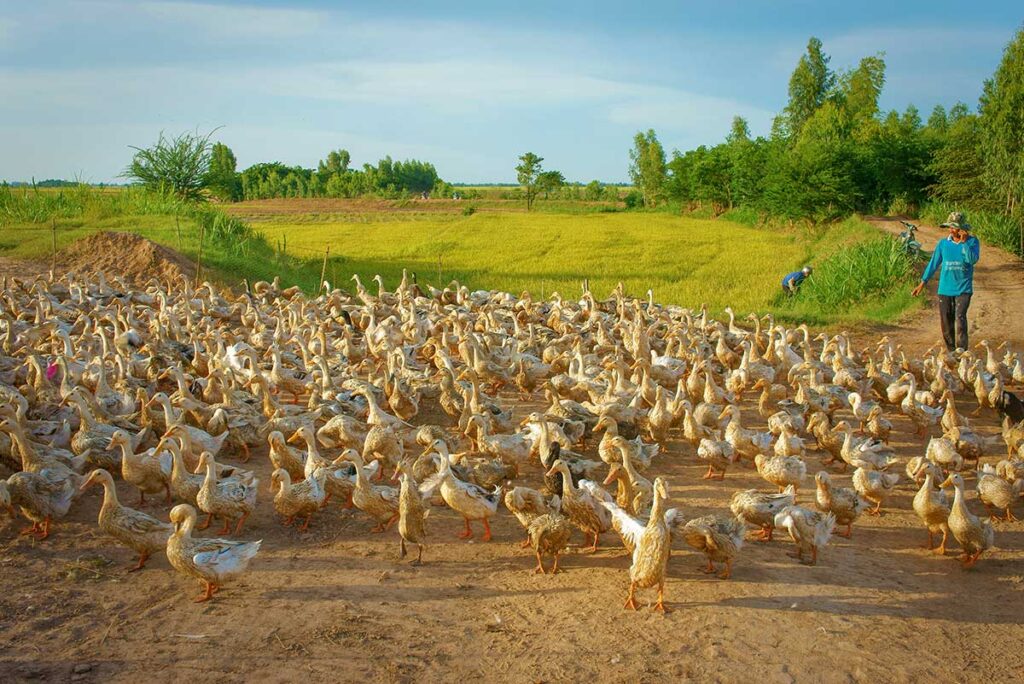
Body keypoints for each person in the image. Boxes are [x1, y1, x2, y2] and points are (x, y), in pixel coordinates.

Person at [912, 211, 980, 352]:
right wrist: (922, 284)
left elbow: (972, 260)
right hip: (945, 289)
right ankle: (951, 351)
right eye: (950, 227)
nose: (951, 230)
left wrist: (964, 243)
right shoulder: (943, 244)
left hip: (964, 289)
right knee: (946, 321)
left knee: (960, 317)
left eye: (954, 227)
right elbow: (933, 264)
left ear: (962, 229)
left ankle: (962, 352)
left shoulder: (973, 242)